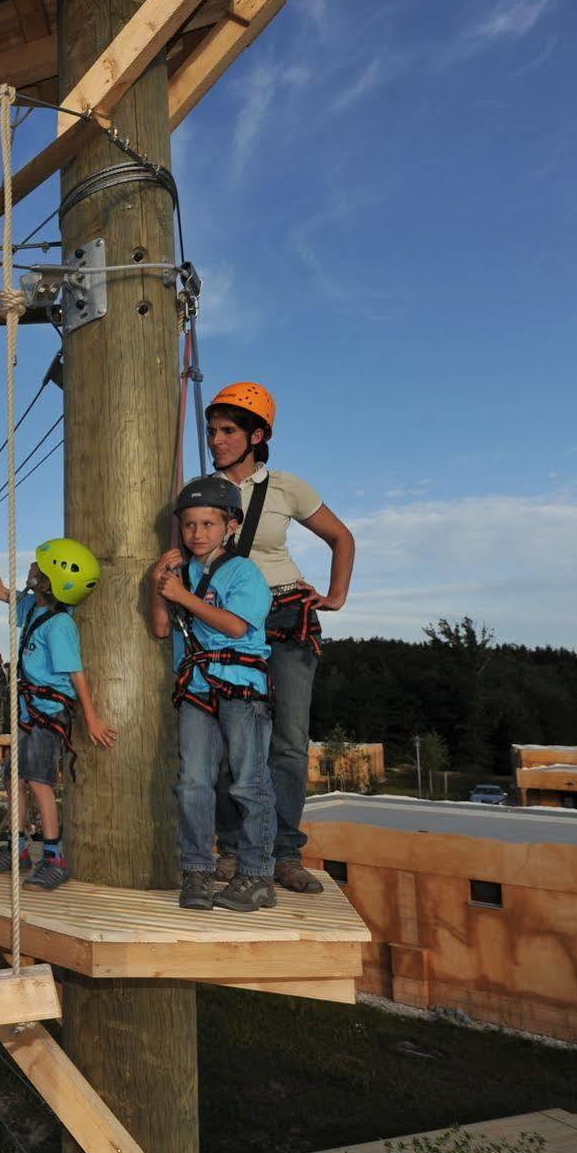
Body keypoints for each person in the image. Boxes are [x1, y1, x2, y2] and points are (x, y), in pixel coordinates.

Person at [205, 383, 356, 895]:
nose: (216, 440)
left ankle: (285, 855)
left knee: (287, 744)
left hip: (287, 619)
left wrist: (336, 596)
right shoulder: (203, 492)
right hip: (228, 626)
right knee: (228, 742)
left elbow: (341, 537)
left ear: (257, 435)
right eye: (212, 430)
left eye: (228, 431)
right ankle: (232, 849)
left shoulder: (287, 487)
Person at [150, 475, 277, 913]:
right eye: (189, 525)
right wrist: (158, 585)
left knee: (249, 782)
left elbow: (237, 626)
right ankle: (197, 872)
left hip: (241, 688)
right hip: (197, 689)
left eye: (208, 524)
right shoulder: (180, 574)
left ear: (230, 527)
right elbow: (162, 628)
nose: (197, 534)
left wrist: (182, 595)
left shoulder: (244, 572)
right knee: (193, 784)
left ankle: (258, 875)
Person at [0, 536, 118, 891]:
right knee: (15, 779)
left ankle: (54, 857)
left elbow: (76, 673)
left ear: (51, 580)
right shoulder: (33, 608)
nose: (32, 569)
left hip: (46, 713)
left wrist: (92, 716)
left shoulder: (60, 625)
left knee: (39, 781)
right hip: (27, 709)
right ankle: (19, 847)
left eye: (38, 567)